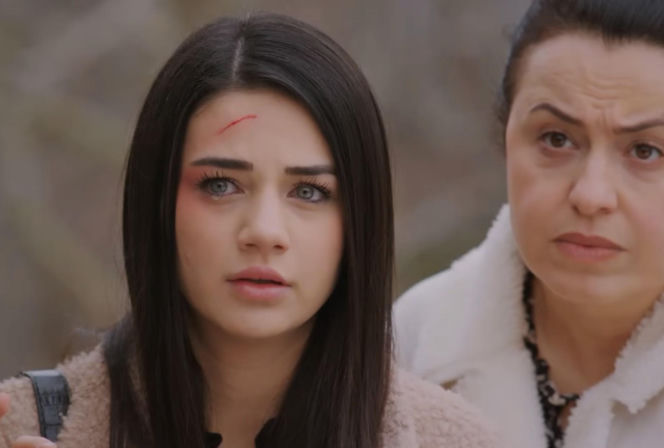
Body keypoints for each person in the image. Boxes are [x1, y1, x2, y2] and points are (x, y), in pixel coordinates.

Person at [0, 13, 499, 448]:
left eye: (309, 192)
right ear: (157, 204)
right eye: (221, 185)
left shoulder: (458, 442)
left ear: (359, 222)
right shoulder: (20, 426)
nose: (263, 231)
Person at [394, 1, 664, 447]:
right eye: (556, 139)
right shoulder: (407, 346)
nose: (591, 195)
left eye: (646, 151)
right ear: (505, 140)